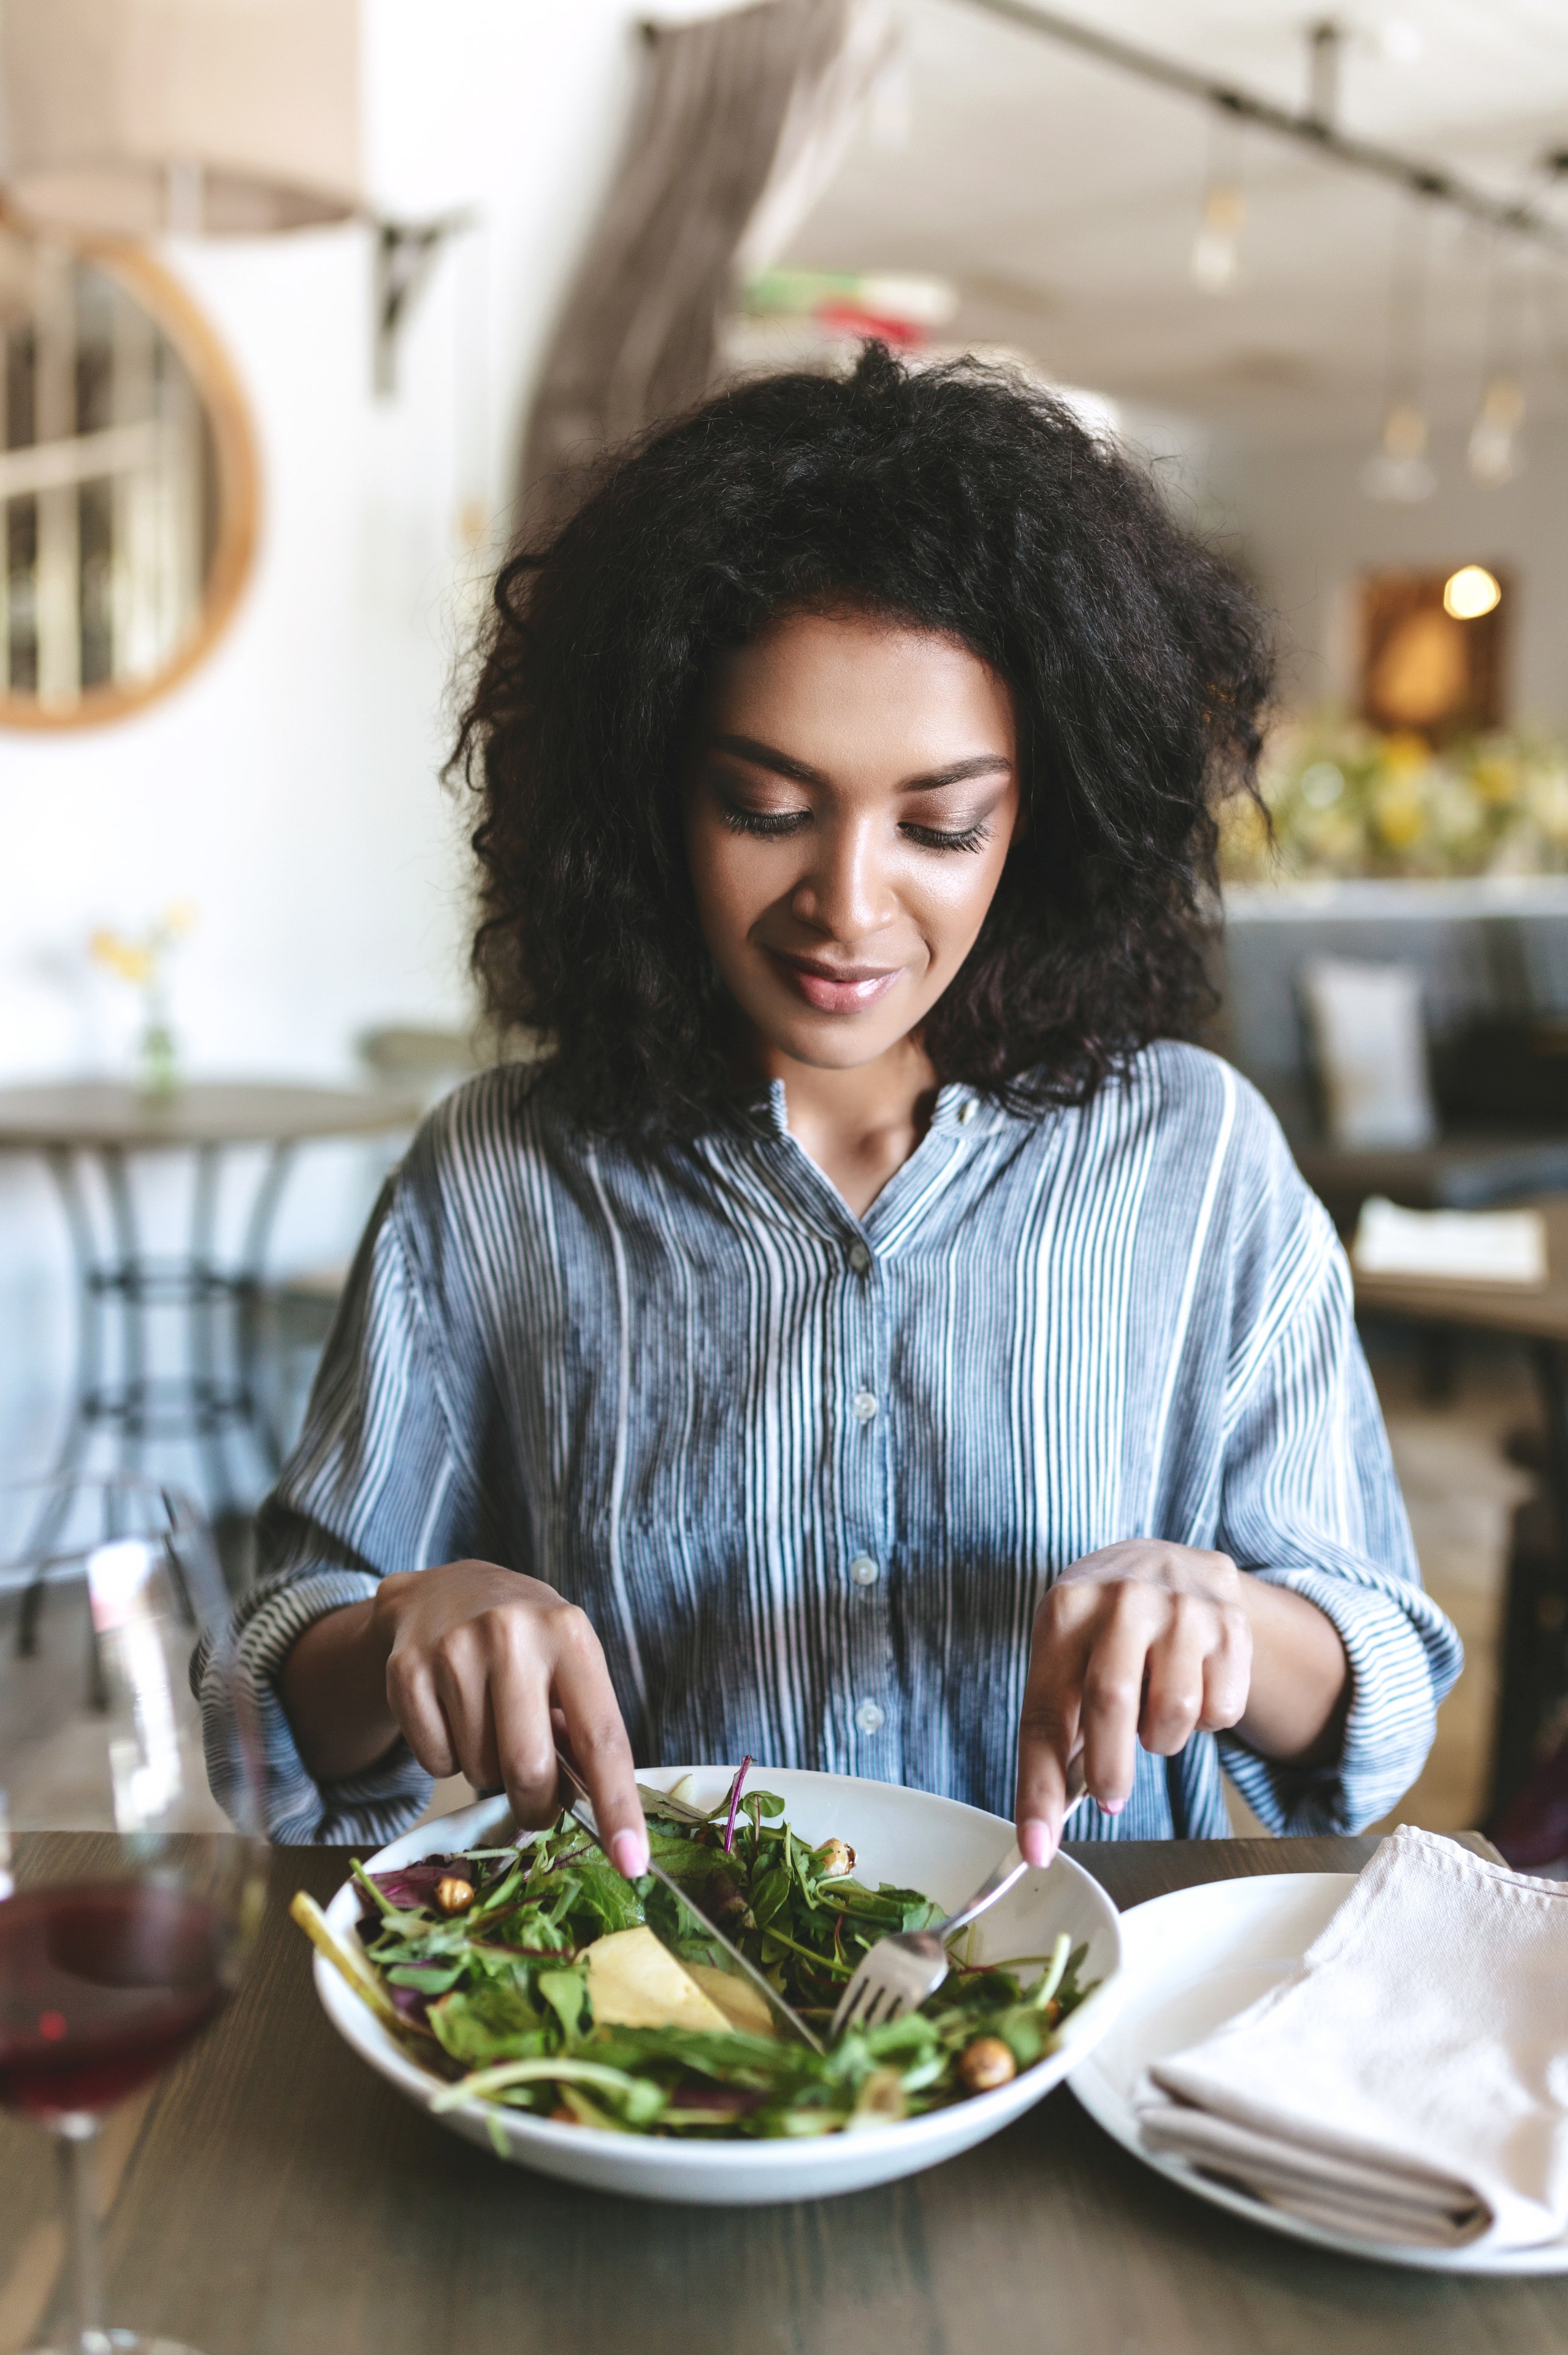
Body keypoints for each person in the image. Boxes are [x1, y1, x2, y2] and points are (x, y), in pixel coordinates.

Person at [209, 345, 1460, 1864]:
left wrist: (1234, 1625)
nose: (847, 905)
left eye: (939, 824)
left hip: (1094, 2021)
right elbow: (258, 1715)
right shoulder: (502, 1177)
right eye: (768, 809)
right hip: (658, 2050)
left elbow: (1373, 1702)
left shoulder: (1191, 1160)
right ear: (648, 795)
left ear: (1041, 819)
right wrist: (405, 1627)